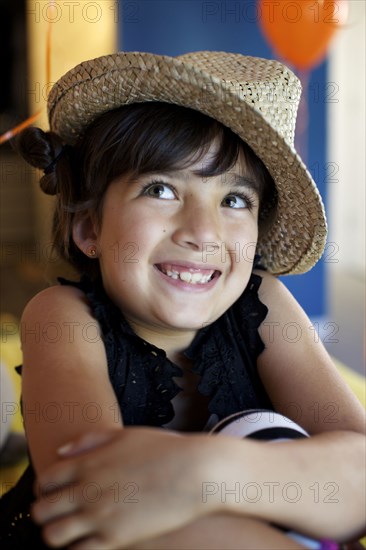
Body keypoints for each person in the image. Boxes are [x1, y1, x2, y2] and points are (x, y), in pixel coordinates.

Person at [0, 51, 365, 550]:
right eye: (161, 189)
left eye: (234, 200)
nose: (203, 232)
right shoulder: (62, 318)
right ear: (90, 228)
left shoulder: (264, 305)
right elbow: (94, 501)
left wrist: (204, 474)